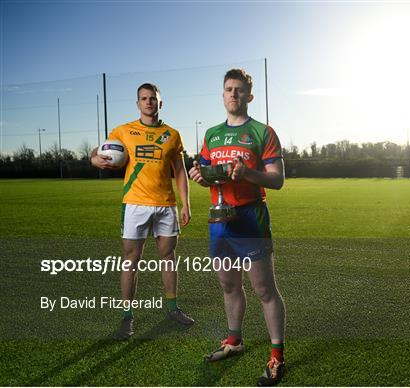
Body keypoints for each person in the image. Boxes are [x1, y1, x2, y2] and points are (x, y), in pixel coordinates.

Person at [189, 69, 286, 386]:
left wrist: (247, 173)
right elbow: (210, 173)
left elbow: (277, 180)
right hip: (219, 222)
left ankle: (276, 357)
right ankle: (234, 340)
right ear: (223, 94)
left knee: (264, 290)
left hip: (250, 218)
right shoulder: (212, 135)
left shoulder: (263, 132)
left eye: (240, 90)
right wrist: (201, 177)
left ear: (249, 96)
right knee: (229, 286)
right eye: (229, 89)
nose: (234, 94)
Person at [90, 83, 194, 340]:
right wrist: (94, 159)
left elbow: (180, 171)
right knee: (130, 260)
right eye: (143, 99)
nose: (148, 102)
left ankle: (172, 309)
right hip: (135, 204)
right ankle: (127, 318)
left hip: (166, 205)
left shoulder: (172, 134)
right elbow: (98, 150)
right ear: (138, 103)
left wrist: (186, 203)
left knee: (168, 256)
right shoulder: (124, 131)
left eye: (153, 99)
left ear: (161, 103)